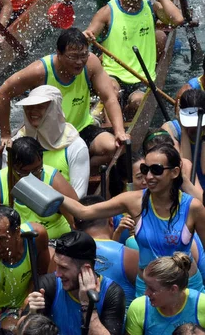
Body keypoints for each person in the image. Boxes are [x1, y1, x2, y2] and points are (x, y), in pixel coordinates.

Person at [59, 144, 205, 297]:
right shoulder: (133, 201)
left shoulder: (193, 207)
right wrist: (50, 192)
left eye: (156, 170)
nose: (148, 176)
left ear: (175, 172)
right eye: (144, 169)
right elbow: (83, 211)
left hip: (187, 286)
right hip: (149, 288)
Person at [0, 28, 127, 175]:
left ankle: (78, 169)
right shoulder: (39, 71)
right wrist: (5, 135)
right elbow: (2, 94)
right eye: (73, 57)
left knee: (114, 149)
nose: (79, 62)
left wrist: (119, 131)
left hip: (81, 128)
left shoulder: (91, 64)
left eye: (83, 55)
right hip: (45, 136)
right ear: (59, 53)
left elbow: (109, 97)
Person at [84, 0, 184, 118]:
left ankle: (125, 118)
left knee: (138, 102)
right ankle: (109, 125)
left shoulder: (152, 8)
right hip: (113, 75)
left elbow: (177, 19)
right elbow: (87, 37)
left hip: (143, 78)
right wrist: (87, 37)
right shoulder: (108, 12)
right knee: (111, 91)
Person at [26, 231, 126, 335]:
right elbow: (20, 330)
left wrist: (87, 306)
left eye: (64, 268)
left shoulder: (112, 294)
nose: (57, 274)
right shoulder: (49, 285)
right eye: (57, 265)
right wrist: (32, 314)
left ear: (85, 269)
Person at [0, 137, 78, 240]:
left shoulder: (54, 180)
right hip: (15, 245)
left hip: (56, 242)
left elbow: (78, 222)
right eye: (25, 173)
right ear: (10, 166)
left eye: (37, 170)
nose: (33, 177)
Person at [0, 205, 50, 329]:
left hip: (28, 300)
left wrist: (27, 304)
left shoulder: (36, 237)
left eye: (1, 239)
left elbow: (41, 274)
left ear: (18, 233)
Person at [9, 86, 90, 197]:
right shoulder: (14, 145)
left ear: (54, 109)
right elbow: (7, 182)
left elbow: (79, 195)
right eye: (29, 107)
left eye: (40, 107)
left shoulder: (75, 146)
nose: (33, 111)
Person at [75, 195, 139, 310]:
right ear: (111, 221)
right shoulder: (130, 256)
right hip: (119, 326)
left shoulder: (62, 256)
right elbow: (147, 301)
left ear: (75, 227)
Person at [126, 253, 205, 335]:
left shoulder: (202, 305)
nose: (146, 293)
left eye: (152, 289)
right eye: (146, 285)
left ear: (173, 289)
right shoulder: (139, 308)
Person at [162, 89, 205, 192]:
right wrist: (183, 130)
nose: (193, 127)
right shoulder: (170, 130)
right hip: (183, 190)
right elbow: (185, 169)